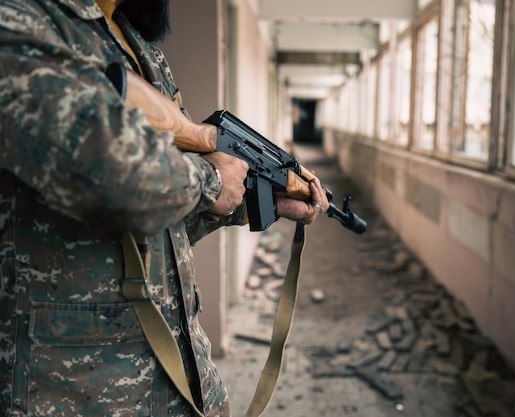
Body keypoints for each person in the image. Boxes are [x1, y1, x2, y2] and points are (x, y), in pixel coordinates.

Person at [0, 0, 330, 416]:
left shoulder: (137, 44)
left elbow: (168, 217)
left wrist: (256, 202)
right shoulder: (21, 18)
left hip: (183, 377)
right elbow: (106, 168)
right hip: (77, 390)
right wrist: (211, 181)